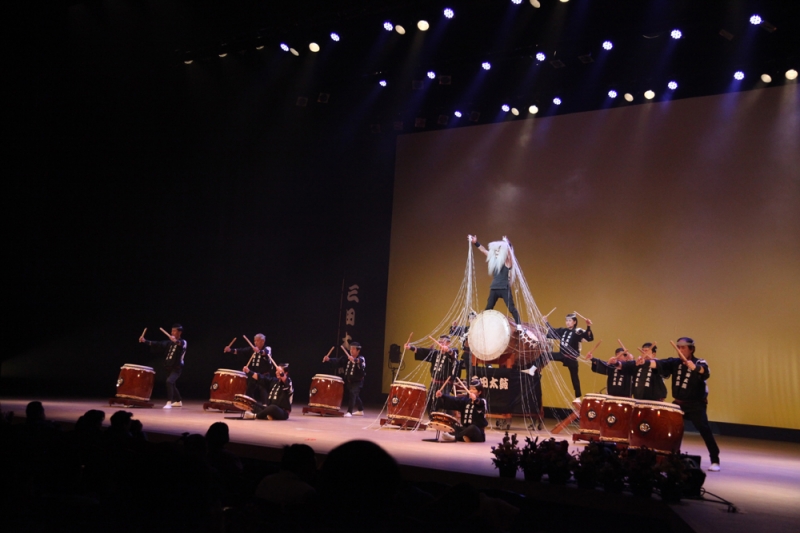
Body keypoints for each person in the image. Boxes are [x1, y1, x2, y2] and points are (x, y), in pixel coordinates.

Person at [655, 337, 721, 472]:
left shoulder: (699, 362)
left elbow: (705, 371)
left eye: (683, 347)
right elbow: (659, 364)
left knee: (704, 430)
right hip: (678, 403)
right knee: (670, 429)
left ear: (691, 349)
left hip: (696, 405)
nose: (680, 350)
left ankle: (715, 460)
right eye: (678, 347)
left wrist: (696, 368)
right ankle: (668, 457)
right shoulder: (674, 362)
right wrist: (648, 361)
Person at [468, 234, 521, 324]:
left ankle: (519, 325)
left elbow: (510, 254)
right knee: (488, 308)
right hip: (494, 288)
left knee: (511, 308)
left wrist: (507, 243)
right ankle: (484, 324)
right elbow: (484, 250)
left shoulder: (507, 262)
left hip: (504, 288)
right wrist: (476, 242)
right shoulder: (494, 261)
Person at [545, 313, 594, 405]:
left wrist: (588, 326)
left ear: (574, 322)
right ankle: (533, 369)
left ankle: (578, 397)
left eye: (570, 321)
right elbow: (552, 331)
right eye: (566, 320)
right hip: (562, 355)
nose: (567, 323)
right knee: (544, 355)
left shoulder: (578, 331)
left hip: (571, 358)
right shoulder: (564, 331)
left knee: (574, 377)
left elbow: (588, 338)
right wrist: (546, 322)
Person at [406, 335, 461, 414]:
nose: (440, 344)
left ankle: (448, 419)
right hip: (434, 382)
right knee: (430, 401)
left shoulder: (453, 352)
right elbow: (423, 351)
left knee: (444, 400)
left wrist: (448, 350)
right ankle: (432, 418)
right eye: (440, 342)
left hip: (445, 383)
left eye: (443, 342)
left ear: (448, 343)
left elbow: (453, 353)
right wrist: (410, 347)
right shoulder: (435, 353)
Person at [140, 324, 187, 408]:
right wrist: (145, 341)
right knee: (172, 384)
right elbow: (157, 344)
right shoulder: (169, 343)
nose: (172, 332)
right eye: (172, 331)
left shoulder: (183, 342)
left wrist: (175, 341)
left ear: (180, 332)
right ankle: (178, 401)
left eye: (174, 331)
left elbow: (179, 344)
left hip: (177, 368)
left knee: (169, 382)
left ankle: (169, 402)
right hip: (169, 366)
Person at [224, 334, 275, 403]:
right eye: (255, 341)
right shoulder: (252, 349)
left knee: (263, 391)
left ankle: (266, 407)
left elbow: (265, 353)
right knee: (249, 391)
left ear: (263, 341)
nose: (255, 343)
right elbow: (241, 351)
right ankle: (250, 406)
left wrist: (259, 351)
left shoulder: (267, 348)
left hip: (263, 375)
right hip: (253, 375)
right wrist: (230, 350)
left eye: (257, 341)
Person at [323, 342, 366, 417]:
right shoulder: (346, 358)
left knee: (353, 393)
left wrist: (354, 360)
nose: (351, 351)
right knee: (355, 395)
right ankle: (360, 410)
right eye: (351, 349)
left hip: (358, 381)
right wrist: (329, 359)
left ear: (358, 351)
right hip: (349, 381)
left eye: (353, 349)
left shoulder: (361, 358)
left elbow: (360, 361)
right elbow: (337, 361)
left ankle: (349, 412)